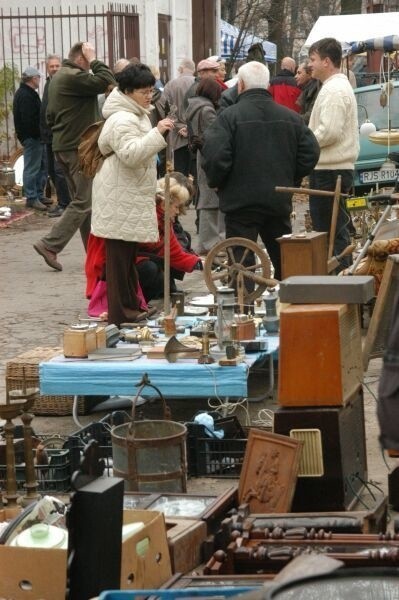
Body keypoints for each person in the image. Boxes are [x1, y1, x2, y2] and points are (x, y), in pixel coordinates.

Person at [201, 61, 319, 281]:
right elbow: (311, 152)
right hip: (277, 199)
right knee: (285, 261)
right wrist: (291, 177)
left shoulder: (228, 118)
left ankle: (243, 309)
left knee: (242, 265)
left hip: (240, 202)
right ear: (267, 85)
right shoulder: (290, 117)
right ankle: (291, 305)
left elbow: (215, 156)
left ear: (241, 85)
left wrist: (218, 182)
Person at [90, 63, 174, 327]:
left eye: (151, 90)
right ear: (127, 91)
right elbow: (131, 154)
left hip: (126, 196)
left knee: (127, 260)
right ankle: (121, 313)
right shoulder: (122, 118)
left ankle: (131, 308)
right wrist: (157, 132)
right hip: (118, 197)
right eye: (144, 91)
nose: (149, 96)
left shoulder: (134, 113)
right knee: (118, 262)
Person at [33, 42, 115, 272]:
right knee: (83, 201)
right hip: (78, 149)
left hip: (64, 147)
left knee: (84, 202)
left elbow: (49, 114)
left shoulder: (59, 78)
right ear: (81, 59)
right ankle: (50, 244)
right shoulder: (74, 77)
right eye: (88, 59)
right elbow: (108, 81)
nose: (91, 65)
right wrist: (95, 60)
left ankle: (95, 254)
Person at [308, 37, 359, 269]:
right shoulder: (333, 87)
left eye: (313, 59)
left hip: (330, 171)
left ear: (327, 61)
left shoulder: (335, 90)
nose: (310, 65)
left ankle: (340, 282)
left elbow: (329, 132)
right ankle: (341, 280)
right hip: (331, 170)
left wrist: (305, 143)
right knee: (333, 231)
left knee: (331, 234)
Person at [136, 176, 203, 301]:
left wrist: (199, 262)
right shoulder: (148, 217)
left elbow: (174, 252)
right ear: (163, 204)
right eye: (176, 207)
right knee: (151, 270)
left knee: (160, 273)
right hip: (125, 266)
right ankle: (136, 301)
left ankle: (142, 302)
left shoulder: (164, 221)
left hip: (140, 261)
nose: (178, 212)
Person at [185, 78, 224, 255]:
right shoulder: (207, 110)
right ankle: (210, 243)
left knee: (206, 196)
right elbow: (214, 136)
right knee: (210, 199)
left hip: (200, 154)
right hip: (208, 155)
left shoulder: (193, 106)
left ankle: (205, 242)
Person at [40, 54, 71, 218]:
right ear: (47, 68)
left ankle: (65, 203)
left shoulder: (63, 84)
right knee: (52, 170)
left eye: (56, 66)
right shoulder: (48, 83)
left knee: (60, 171)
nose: (54, 69)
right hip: (48, 136)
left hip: (59, 135)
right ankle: (62, 202)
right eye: (51, 66)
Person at [13, 66, 48, 211]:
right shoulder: (26, 95)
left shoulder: (26, 93)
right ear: (34, 79)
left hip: (34, 137)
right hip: (33, 138)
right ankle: (32, 197)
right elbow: (29, 120)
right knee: (32, 168)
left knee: (40, 167)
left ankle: (38, 195)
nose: (39, 80)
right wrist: (37, 134)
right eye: (38, 77)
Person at [162, 58, 195, 176]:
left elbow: (166, 110)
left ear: (181, 69)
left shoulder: (171, 85)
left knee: (180, 175)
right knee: (196, 175)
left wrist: (179, 126)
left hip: (178, 137)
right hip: (196, 136)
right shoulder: (199, 83)